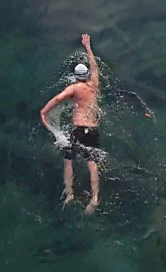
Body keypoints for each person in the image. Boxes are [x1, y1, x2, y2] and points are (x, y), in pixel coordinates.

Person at [40, 34, 102, 214]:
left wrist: (44, 111)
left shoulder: (73, 88)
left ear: (75, 77)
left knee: (68, 161)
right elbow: (95, 67)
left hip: (79, 128)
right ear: (87, 75)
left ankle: (69, 194)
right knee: (93, 163)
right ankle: (95, 197)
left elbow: (59, 98)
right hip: (93, 128)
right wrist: (88, 47)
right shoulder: (94, 85)